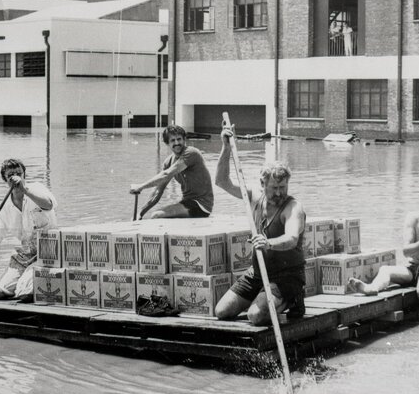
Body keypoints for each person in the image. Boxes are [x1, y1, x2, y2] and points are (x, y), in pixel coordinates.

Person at [214, 126, 306, 325]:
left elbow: (291, 239)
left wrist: (269, 243)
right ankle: (263, 297)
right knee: (221, 311)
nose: (279, 193)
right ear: (262, 185)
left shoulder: (293, 208)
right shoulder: (254, 198)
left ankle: (292, 299)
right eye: (274, 188)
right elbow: (221, 182)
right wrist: (226, 147)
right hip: (258, 271)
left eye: (283, 187)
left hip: (287, 276)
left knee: (254, 316)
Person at [349, 188, 419, 323]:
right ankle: (371, 288)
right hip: (412, 267)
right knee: (385, 270)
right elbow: (406, 251)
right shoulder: (413, 219)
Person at [0, 158, 57, 300]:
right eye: (10, 176)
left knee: (26, 293)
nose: (15, 179)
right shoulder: (5, 206)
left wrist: (25, 190)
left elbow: (49, 205)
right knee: (1, 292)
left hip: (49, 252)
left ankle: (30, 282)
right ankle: (17, 278)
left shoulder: (37, 188)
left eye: (19, 174)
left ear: (24, 175)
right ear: (5, 180)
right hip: (26, 254)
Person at [130, 125, 214, 219]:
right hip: (187, 202)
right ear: (167, 143)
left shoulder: (191, 153)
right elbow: (158, 191)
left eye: (179, 139)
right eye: (172, 140)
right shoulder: (168, 162)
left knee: (156, 215)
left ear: (184, 139)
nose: (177, 143)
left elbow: (166, 174)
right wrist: (140, 213)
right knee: (156, 213)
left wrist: (141, 187)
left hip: (201, 205)